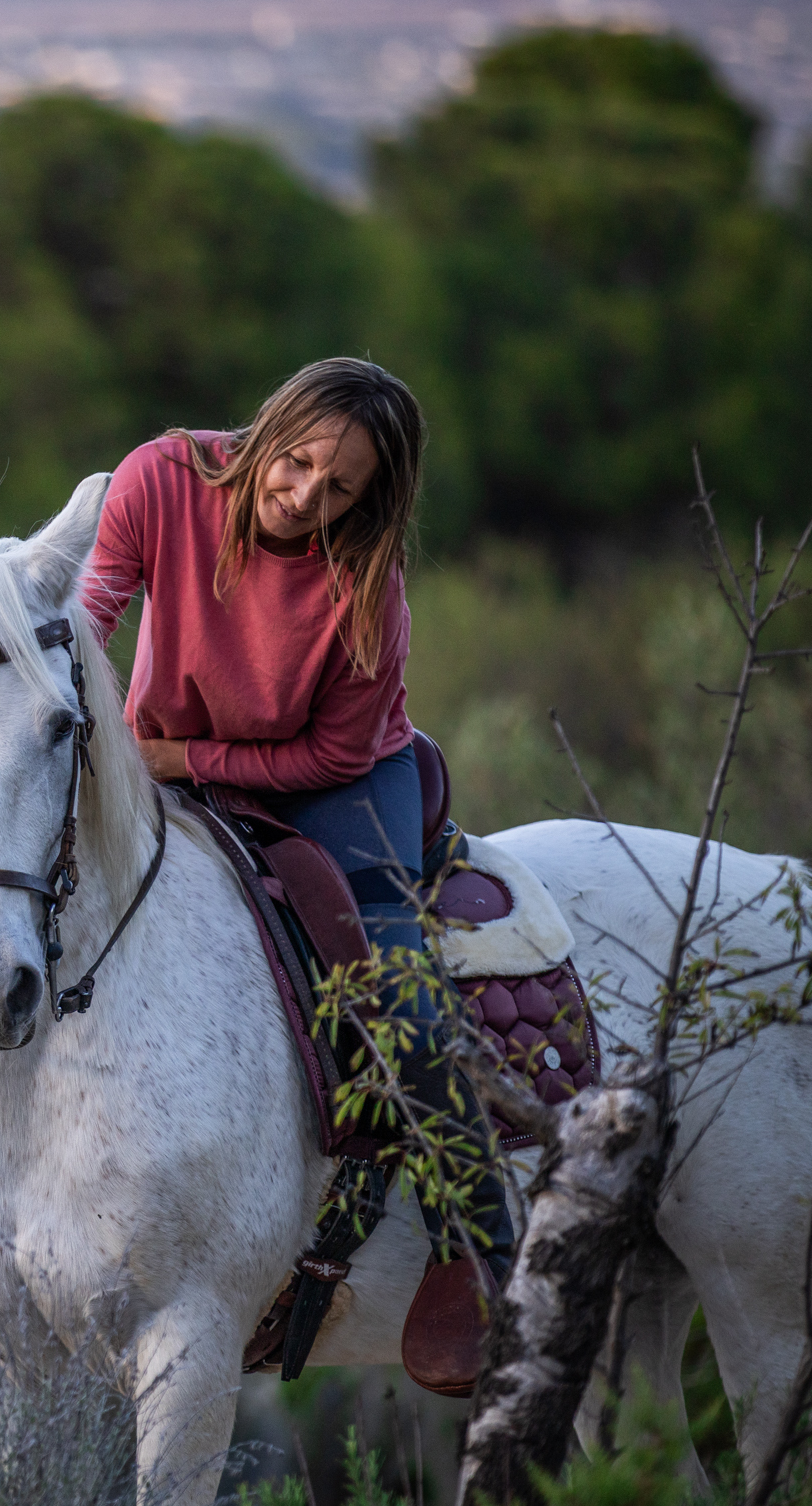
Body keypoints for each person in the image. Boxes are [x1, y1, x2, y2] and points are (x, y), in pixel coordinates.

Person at [80, 356, 514, 1383]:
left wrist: (180, 760)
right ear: (267, 432)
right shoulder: (159, 478)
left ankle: (480, 1240)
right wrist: (92, 733)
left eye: (341, 487)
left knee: (395, 988)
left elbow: (330, 753)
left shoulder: (367, 588)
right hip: (160, 751)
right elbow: (85, 616)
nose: (305, 495)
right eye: (300, 462)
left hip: (338, 783)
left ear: (371, 500)